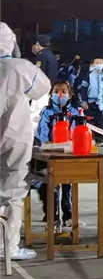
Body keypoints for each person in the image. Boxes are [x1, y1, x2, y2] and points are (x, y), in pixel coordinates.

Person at [0, 22, 51, 260]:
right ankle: (7, 247)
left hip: (12, 137)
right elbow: (42, 88)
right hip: (14, 138)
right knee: (13, 194)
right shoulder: (20, 68)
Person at [34, 81, 81, 226]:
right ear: (51, 94)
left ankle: (67, 214)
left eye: (63, 91)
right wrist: (47, 147)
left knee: (67, 184)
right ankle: (51, 214)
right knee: (50, 185)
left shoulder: (75, 112)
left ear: (70, 94)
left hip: (68, 154)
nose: (60, 94)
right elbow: (43, 132)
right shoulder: (46, 112)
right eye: (56, 91)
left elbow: (78, 130)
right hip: (51, 153)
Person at [77, 58, 103, 145]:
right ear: (93, 64)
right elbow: (84, 88)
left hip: (102, 102)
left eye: (101, 63)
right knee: (90, 122)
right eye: (97, 63)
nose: (99, 64)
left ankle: (100, 140)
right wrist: (84, 101)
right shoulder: (88, 75)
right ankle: (90, 139)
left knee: (101, 121)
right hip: (91, 102)